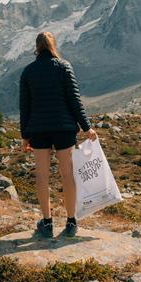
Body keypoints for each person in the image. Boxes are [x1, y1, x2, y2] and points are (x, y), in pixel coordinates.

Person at [19, 31, 98, 238]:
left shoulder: (28, 71)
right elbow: (75, 101)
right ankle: (71, 222)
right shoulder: (64, 67)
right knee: (67, 175)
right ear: (54, 46)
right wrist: (87, 127)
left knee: (42, 176)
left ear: (36, 48)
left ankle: (47, 224)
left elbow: (24, 107)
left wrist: (25, 136)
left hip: (38, 130)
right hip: (64, 129)